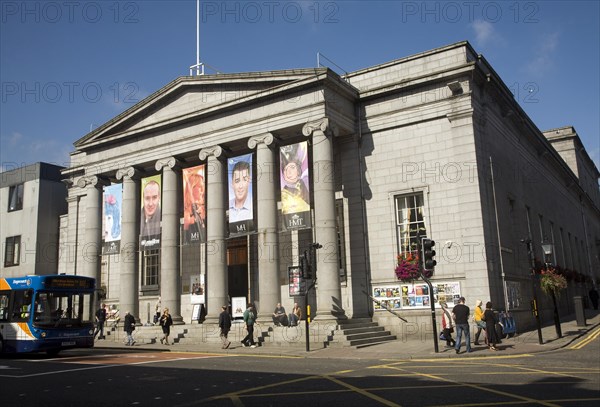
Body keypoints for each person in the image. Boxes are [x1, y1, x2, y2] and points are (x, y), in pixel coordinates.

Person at [280, 147, 310, 214]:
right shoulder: (285, 193)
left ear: (299, 170)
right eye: (285, 169)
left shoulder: (304, 184)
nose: (288, 172)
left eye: (292, 167)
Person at [183, 170, 206, 243]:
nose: (202, 191)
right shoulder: (187, 213)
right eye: (200, 187)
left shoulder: (201, 209)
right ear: (191, 189)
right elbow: (186, 236)